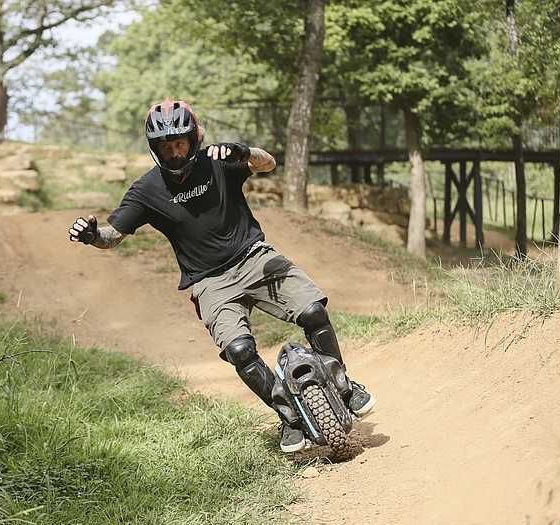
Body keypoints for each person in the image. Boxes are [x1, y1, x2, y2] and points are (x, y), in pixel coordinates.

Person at [68, 99, 375, 453]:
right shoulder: (146, 190)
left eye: (180, 143)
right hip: (210, 283)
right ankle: (290, 418)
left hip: (255, 257)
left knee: (313, 312)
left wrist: (245, 150)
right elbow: (112, 237)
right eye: (165, 147)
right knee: (240, 350)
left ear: (192, 139)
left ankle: (344, 386)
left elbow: (268, 164)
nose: (174, 153)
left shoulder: (220, 160)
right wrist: (92, 236)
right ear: (155, 149)